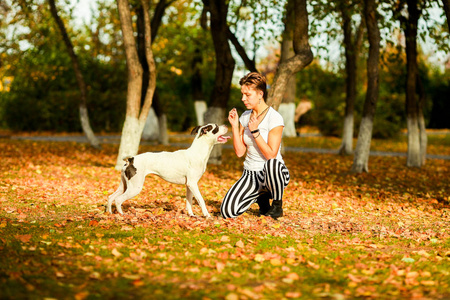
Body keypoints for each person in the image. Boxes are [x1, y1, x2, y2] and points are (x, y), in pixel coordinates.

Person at [220, 72, 290, 219]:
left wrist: (255, 132)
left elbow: (271, 155)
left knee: (272, 164)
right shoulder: (245, 116)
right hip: (251, 174)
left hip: (273, 173)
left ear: (260, 94)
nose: (243, 99)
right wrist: (234, 126)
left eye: (247, 95)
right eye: (242, 94)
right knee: (227, 212)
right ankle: (261, 201)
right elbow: (240, 152)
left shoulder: (274, 118)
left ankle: (277, 205)